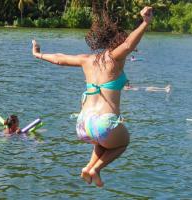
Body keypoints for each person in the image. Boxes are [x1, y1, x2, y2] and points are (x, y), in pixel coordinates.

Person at [32, 1, 153, 187]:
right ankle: (96, 169)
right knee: (123, 142)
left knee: (102, 140)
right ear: (116, 41)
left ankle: (89, 167)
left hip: (83, 124)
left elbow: (59, 59)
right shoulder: (114, 57)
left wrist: (38, 54)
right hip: (104, 123)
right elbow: (129, 44)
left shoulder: (86, 59)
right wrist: (144, 23)